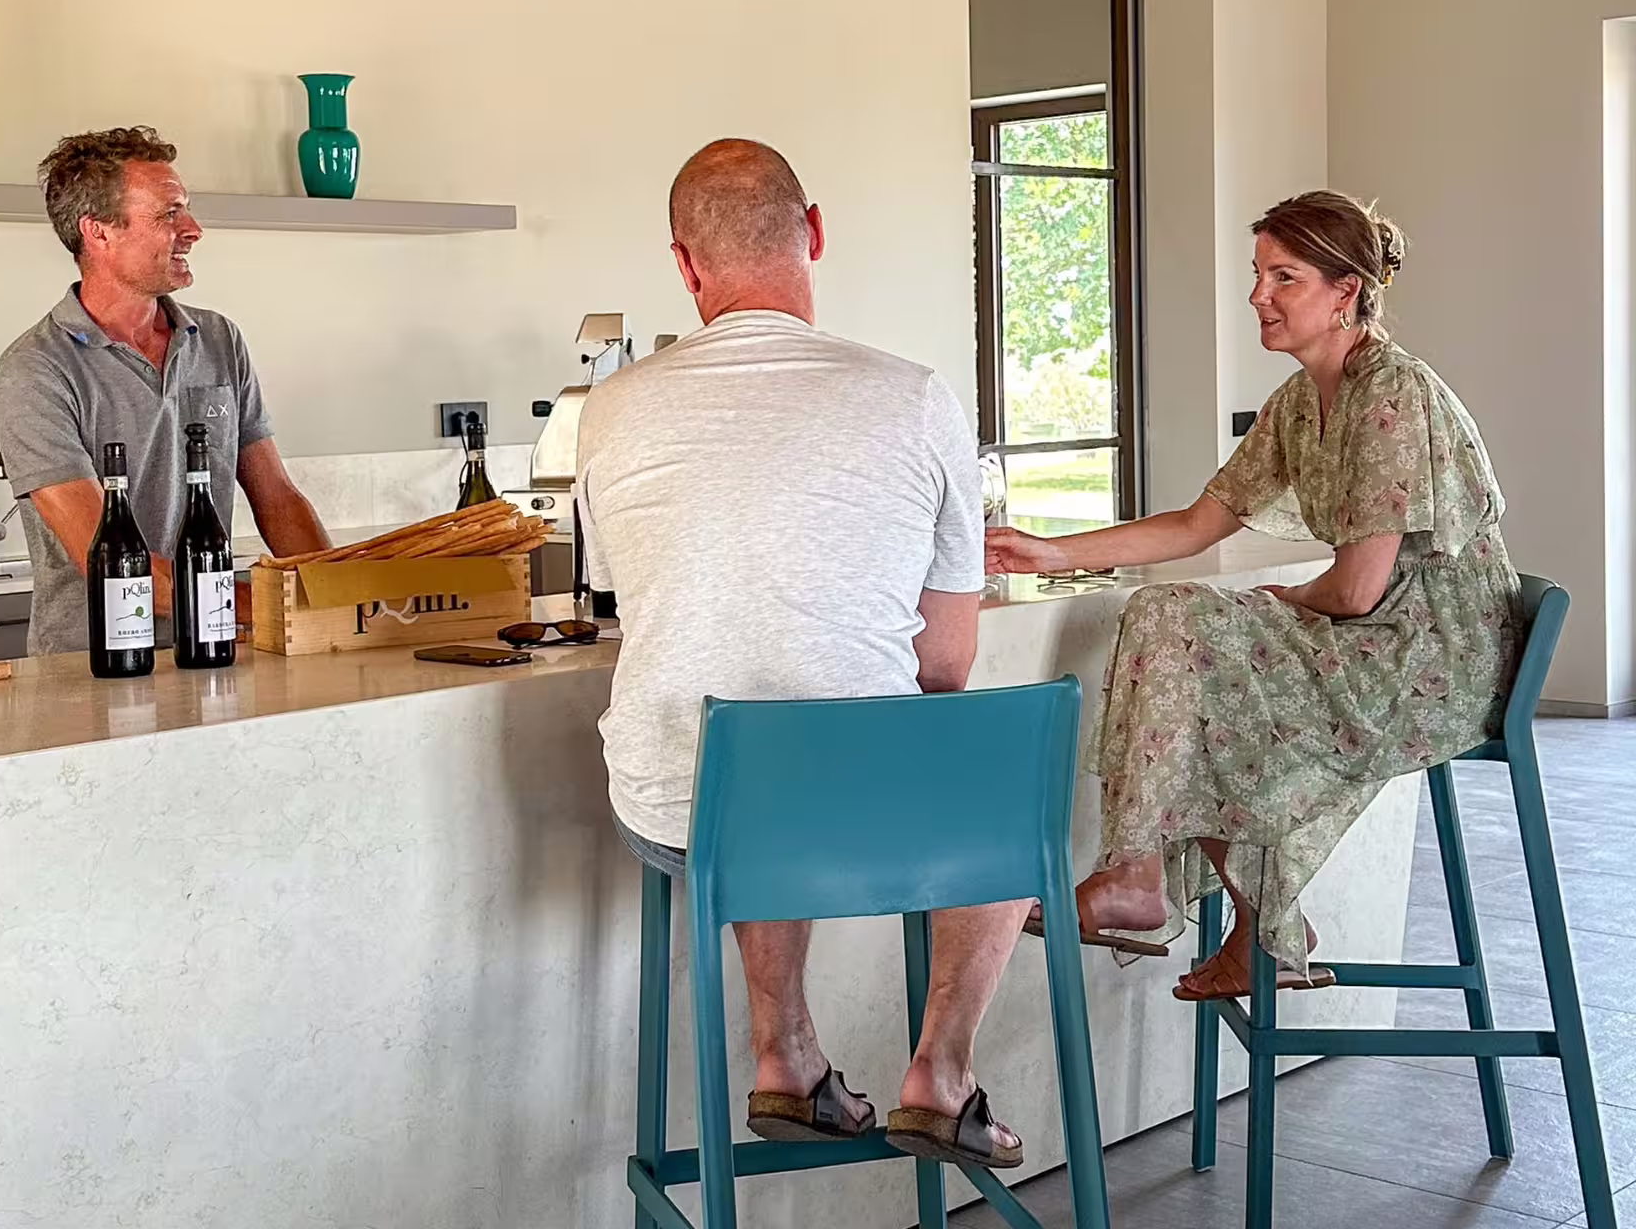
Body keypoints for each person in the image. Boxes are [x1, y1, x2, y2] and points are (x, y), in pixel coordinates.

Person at [577, 139, 1032, 1169]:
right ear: (815, 232)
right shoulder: (915, 396)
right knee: (994, 788)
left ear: (685, 267)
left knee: (758, 756)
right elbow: (947, 669)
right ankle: (941, 1074)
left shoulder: (609, 409)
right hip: (848, 807)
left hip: (679, 810)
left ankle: (782, 1052)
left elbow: (627, 593)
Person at [988, 191, 1521, 1002]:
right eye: (1258, 274)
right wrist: (1052, 550)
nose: (1257, 296)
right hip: (1380, 636)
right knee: (1187, 647)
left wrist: (1283, 599)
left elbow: (1354, 589)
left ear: (1346, 292)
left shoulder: (1391, 394)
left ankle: (1148, 878)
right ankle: (1261, 926)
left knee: (1187, 635)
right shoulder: (1302, 400)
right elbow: (1200, 523)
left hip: (1432, 658)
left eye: (1284, 277)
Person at [0, 126, 331, 655]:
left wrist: (331, 598)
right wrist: (264, 605)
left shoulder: (218, 339)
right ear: (98, 231)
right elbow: (110, 559)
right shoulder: (34, 370)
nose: (193, 229)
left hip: (215, 647)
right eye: (169, 213)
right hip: (90, 669)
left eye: (187, 210)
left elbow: (277, 497)